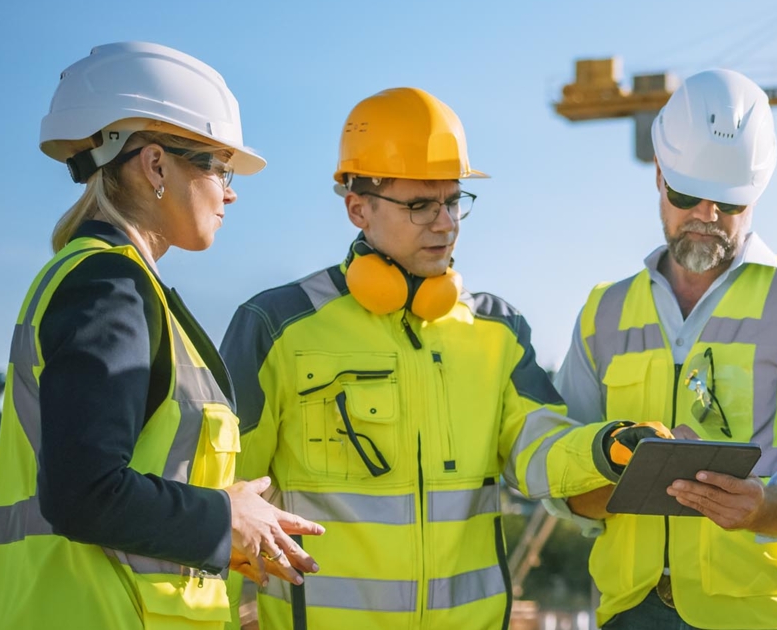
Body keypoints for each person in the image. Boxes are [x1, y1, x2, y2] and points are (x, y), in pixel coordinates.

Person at [219, 87, 648, 629]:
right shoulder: (276, 326)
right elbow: (223, 498)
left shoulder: (498, 332)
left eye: (452, 200)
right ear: (357, 208)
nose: (445, 223)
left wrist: (606, 446)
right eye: (420, 205)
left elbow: (538, 448)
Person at [0, 42, 323, 629]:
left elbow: (108, 477)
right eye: (217, 165)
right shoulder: (108, 286)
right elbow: (84, 493)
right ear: (157, 165)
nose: (231, 190)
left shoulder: (109, 279)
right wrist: (224, 518)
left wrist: (216, 525)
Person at [550, 69, 777, 629]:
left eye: (727, 202)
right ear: (658, 175)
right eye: (686, 194)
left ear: (757, 192)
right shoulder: (603, 313)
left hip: (762, 614)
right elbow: (559, 464)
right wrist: (601, 479)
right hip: (630, 612)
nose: (705, 215)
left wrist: (764, 507)